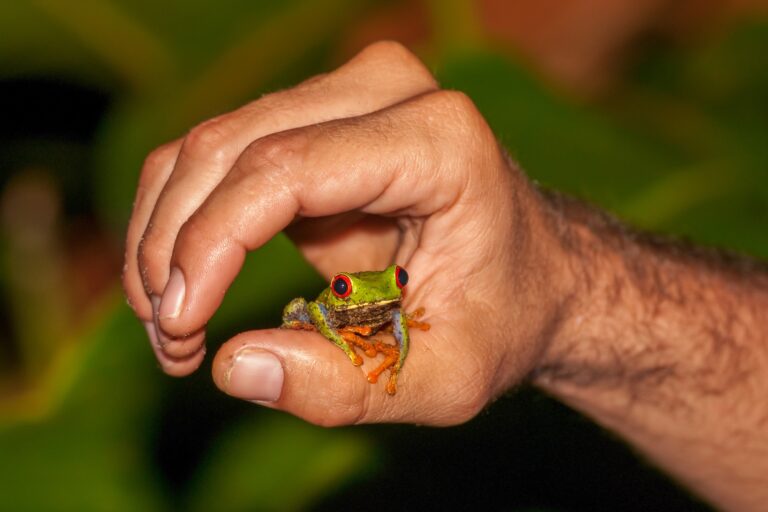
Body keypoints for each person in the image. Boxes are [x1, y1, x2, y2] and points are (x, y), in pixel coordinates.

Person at [122, 41, 768, 511]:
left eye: (395, 285)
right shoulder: (335, 302)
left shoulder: (390, 307)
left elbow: (393, 325)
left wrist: (567, 292)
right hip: (332, 321)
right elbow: (313, 310)